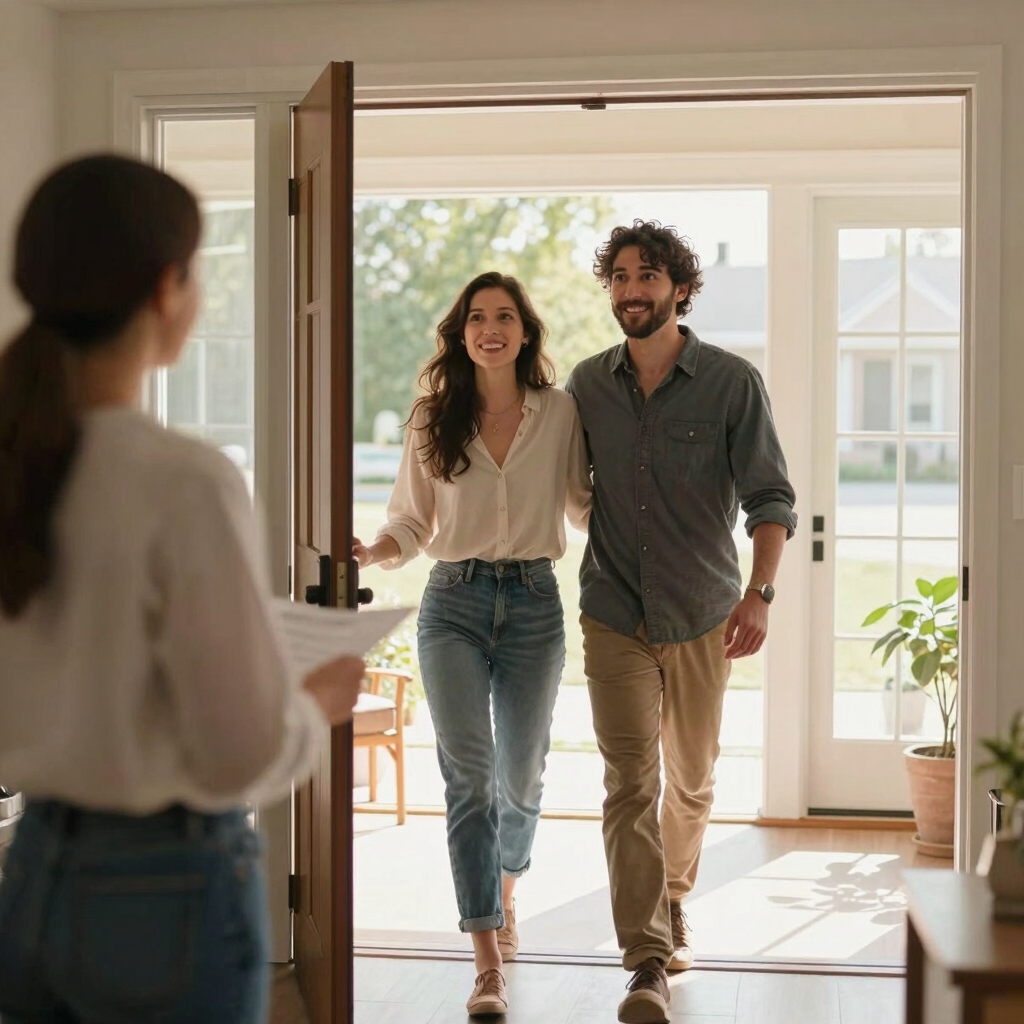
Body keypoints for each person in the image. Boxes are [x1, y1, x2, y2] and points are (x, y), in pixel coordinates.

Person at [0, 154, 365, 1024]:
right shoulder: (181, 480)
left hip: (30, 873)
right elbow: (236, 755)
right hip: (164, 889)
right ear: (168, 287)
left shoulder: (18, 459)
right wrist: (312, 705)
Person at [565, 220, 797, 1024]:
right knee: (629, 784)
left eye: (649, 276)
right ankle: (647, 960)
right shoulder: (587, 385)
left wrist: (760, 593)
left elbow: (771, 497)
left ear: (681, 289)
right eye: (621, 277)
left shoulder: (732, 382)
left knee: (691, 778)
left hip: (703, 613)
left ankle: (672, 895)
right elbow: (559, 479)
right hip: (613, 612)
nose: (632, 290)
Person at [354, 271, 590, 1017]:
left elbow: (585, 504)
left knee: (521, 778)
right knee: (469, 779)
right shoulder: (433, 417)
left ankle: (506, 888)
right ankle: (486, 955)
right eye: (478, 318)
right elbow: (410, 522)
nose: (491, 329)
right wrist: (372, 553)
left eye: (505, 317)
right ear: (461, 334)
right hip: (452, 603)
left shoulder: (559, 412)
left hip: (534, 603)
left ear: (525, 332)